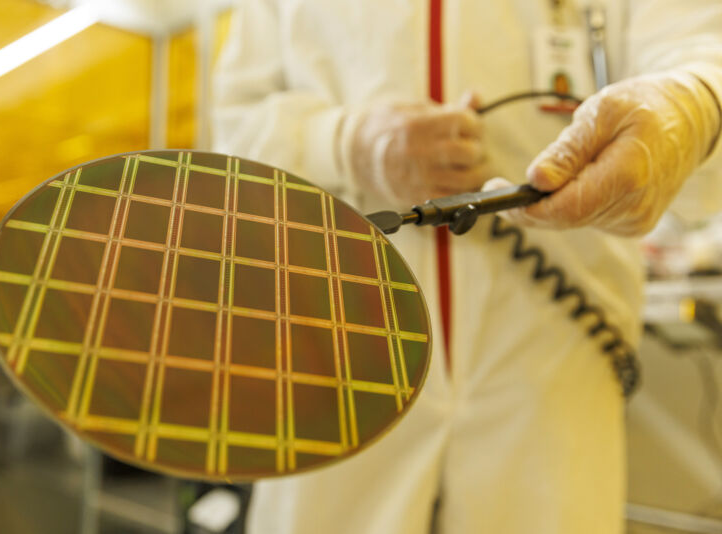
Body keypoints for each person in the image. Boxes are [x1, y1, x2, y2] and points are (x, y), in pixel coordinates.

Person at [211, 1, 722, 532]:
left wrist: (684, 107)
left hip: (550, 359)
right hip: (333, 356)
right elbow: (231, 131)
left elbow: (702, 54)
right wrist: (343, 144)